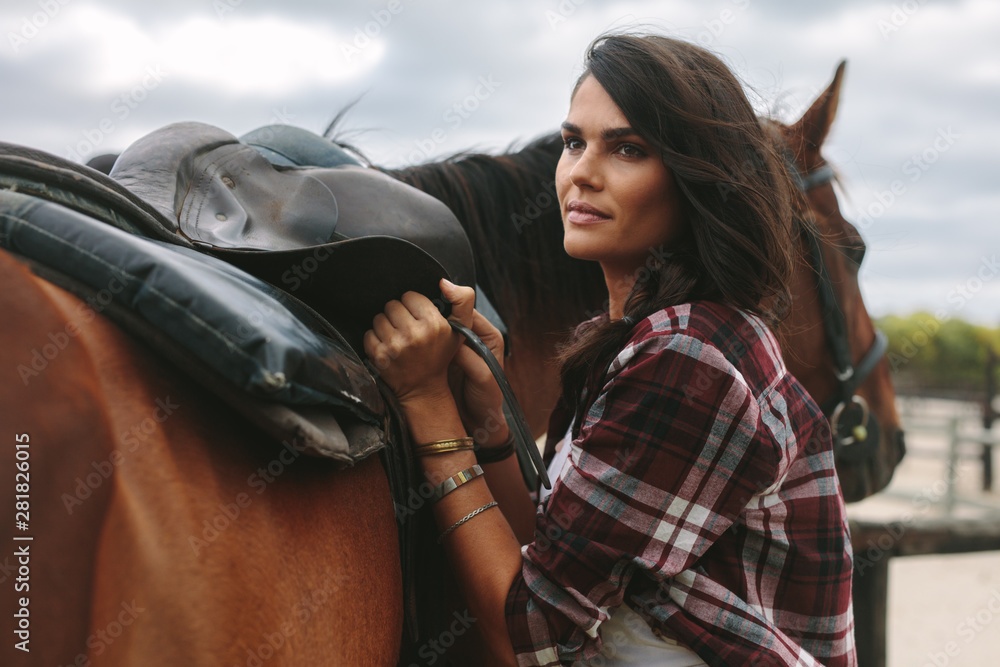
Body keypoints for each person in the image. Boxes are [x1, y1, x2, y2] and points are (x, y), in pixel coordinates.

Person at [364, 33, 856, 666]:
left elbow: (530, 640)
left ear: (696, 178)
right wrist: (488, 408)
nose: (580, 174)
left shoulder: (691, 360)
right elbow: (548, 554)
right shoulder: (636, 341)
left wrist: (427, 405)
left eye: (627, 148)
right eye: (574, 142)